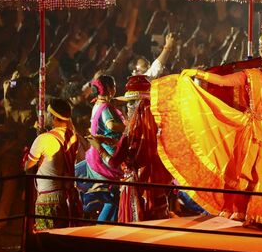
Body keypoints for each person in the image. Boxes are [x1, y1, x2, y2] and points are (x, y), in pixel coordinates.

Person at [150, 16, 262, 227]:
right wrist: (198, 73)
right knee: (254, 175)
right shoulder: (250, 75)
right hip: (252, 133)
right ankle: (250, 213)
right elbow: (223, 81)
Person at [88, 75, 173, 222]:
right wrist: (110, 140)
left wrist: (99, 147)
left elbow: (114, 162)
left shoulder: (130, 132)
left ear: (137, 105)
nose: (127, 107)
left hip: (135, 186)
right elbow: (138, 147)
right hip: (156, 186)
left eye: (130, 103)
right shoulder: (158, 130)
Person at [24, 99, 79, 231]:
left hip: (49, 198)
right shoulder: (73, 136)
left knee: (47, 238)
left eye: (48, 113)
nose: (46, 116)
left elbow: (27, 166)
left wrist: (36, 143)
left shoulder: (44, 139)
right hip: (66, 197)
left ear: (54, 117)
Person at [83, 74, 126, 222]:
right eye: (113, 86)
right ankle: (101, 229)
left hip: (100, 151)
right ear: (108, 88)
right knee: (113, 197)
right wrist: (130, 126)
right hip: (108, 155)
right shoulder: (105, 106)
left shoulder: (97, 104)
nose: (115, 89)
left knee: (114, 198)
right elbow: (111, 125)